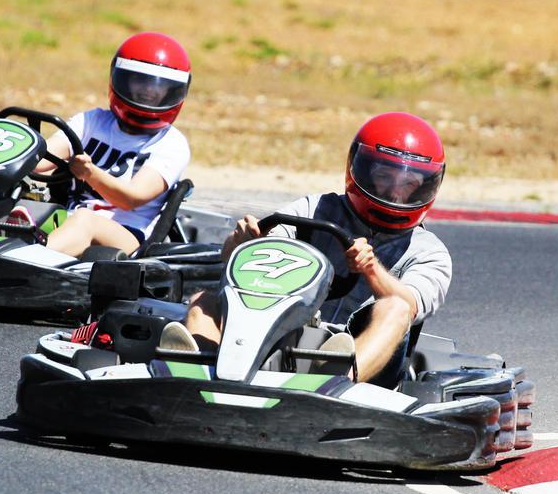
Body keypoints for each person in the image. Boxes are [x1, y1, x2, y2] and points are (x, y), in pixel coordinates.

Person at [162, 111, 451, 387]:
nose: (395, 192)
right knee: (205, 300)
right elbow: (251, 256)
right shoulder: (317, 209)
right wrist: (242, 242)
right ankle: (197, 372)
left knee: (395, 307)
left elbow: (410, 307)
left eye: (408, 183)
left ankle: (337, 378)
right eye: (385, 176)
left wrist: (371, 269)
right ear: (360, 169)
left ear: (425, 187)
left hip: (364, 371)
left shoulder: (429, 252)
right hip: (286, 339)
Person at [29, 31, 193, 257]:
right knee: (20, 199)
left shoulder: (172, 144)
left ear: (174, 91)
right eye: (140, 81)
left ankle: (26, 258)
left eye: (158, 86)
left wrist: (90, 173)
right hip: (70, 220)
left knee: (86, 221)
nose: (147, 91)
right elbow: (40, 162)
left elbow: (130, 199)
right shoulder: (92, 121)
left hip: (128, 237)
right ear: (122, 79)